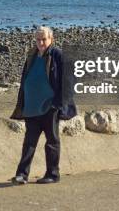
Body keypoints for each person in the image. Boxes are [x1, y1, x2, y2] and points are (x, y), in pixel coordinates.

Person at [10, 26, 77, 185]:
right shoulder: (32, 55)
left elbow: (71, 80)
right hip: (32, 108)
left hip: (49, 108)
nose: (41, 42)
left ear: (51, 39)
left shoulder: (58, 55)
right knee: (29, 143)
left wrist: (58, 104)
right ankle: (22, 175)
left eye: (44, 39)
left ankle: (53, 174)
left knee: (52, 142)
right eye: (38, 39)